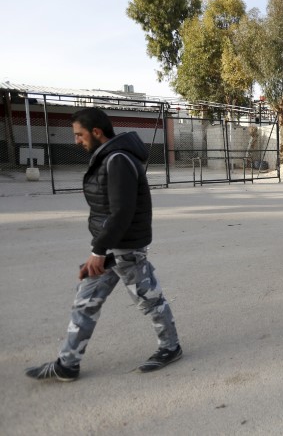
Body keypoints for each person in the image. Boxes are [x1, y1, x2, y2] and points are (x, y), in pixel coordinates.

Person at [25, 108, 181, 382]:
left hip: (125, 248)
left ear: (97, 132)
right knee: (85, 301)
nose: (76, 141)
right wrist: (99, 249)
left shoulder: (118, 159)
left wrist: (98, 251)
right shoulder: (108, 157)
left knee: (149, 300)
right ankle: (67, 364)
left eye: (79, 135)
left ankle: (171, 348)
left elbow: (121, 212)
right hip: (109, 246)